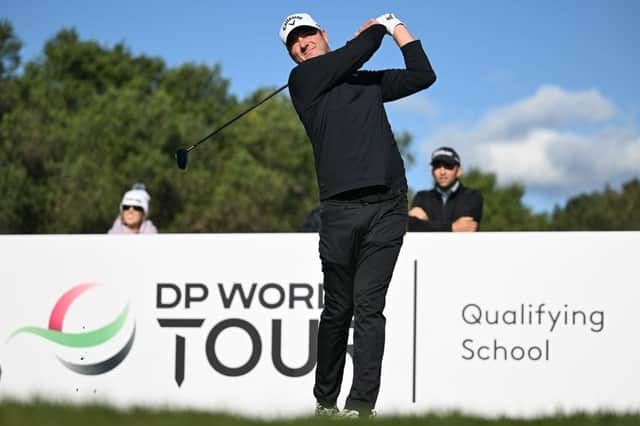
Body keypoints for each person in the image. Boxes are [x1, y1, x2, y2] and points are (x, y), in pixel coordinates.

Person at [279, 12, 436, 417]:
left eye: (307, 34)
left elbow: (422, 75)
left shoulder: (365, 82)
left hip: (387, 206)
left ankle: (361, 407)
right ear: (293, 55)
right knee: (338, 309)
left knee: (369, 307)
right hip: (339, 211)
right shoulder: (304, 83)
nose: (302, 43)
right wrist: (378, 26)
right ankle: (325, 401)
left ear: (322, 34)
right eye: (294, 42)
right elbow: (361, 49)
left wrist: (398, 27)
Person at [408, 147, 483, 232]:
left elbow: (466, 227)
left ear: (459, 171)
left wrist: (425, 225)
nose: (442, 172)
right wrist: (452, 227)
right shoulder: (421, 197)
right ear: (432, 171)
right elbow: (411, 225)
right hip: (429, 246)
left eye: (448, 166)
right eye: (437, 166)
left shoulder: (472, 196)